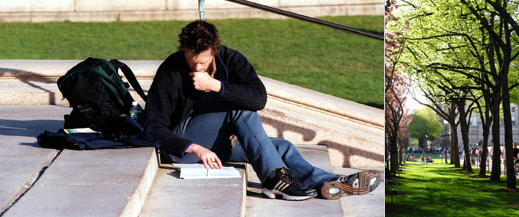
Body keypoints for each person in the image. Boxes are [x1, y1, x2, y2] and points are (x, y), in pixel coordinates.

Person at [141, 20, 380, 201]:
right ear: (183, 50)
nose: (196, 65)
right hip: (182, 145)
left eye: (202, 60)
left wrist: (215, 86)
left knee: (279, 147)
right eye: (191, 59)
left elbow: (258, 98)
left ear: (215, 50)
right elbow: (153, 126)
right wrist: (193, 147)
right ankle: (274, 179)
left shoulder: (231, 59)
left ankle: (330, 182)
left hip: (216, 143)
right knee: (240, 113)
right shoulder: (171, 69)